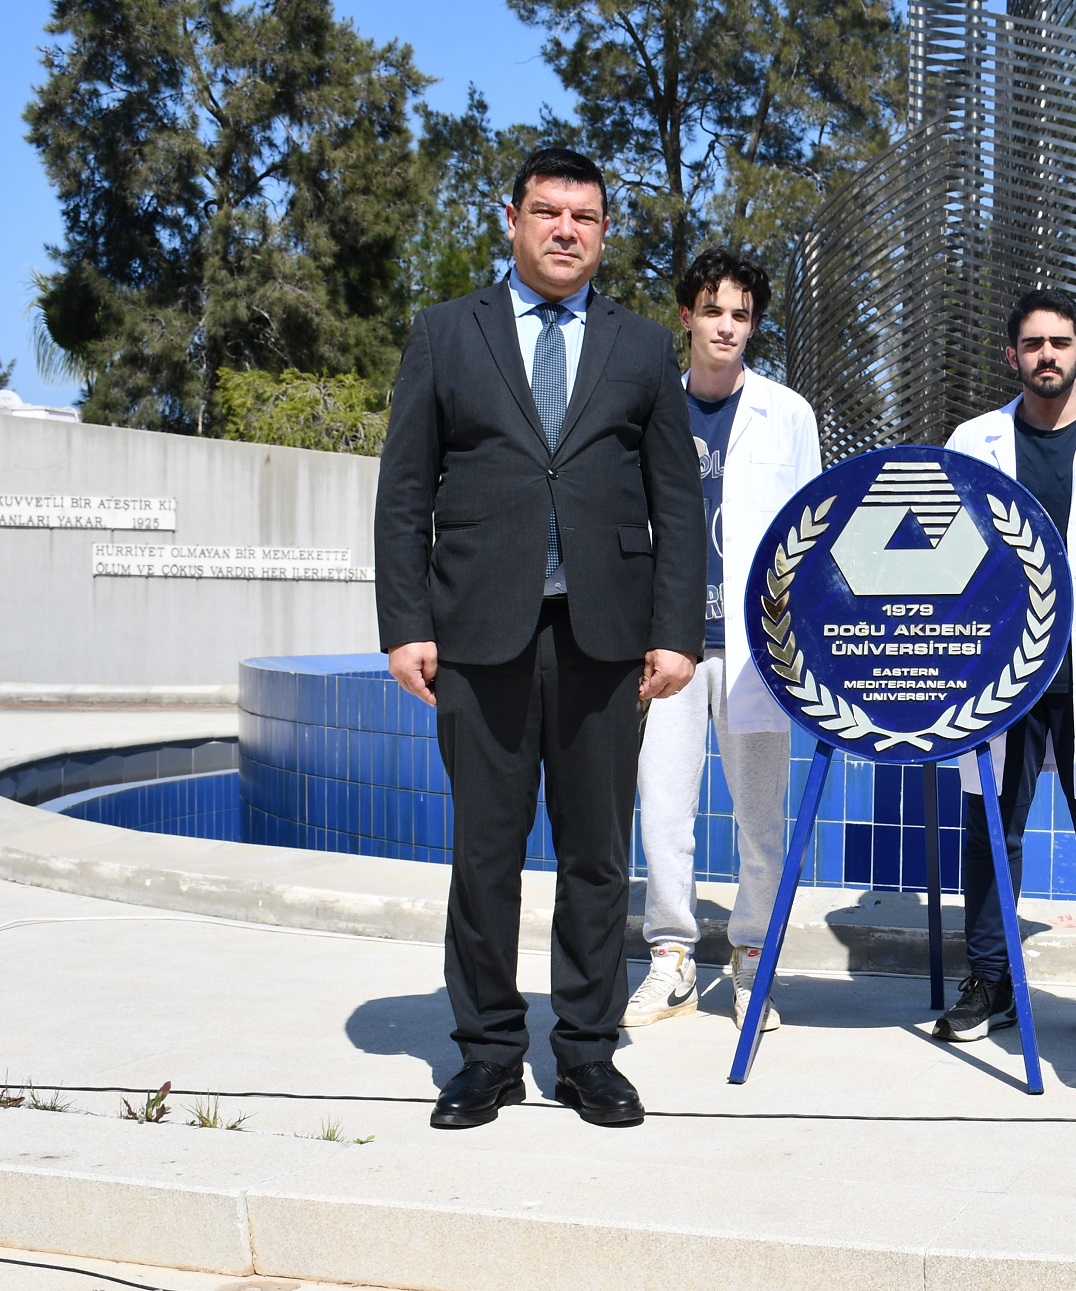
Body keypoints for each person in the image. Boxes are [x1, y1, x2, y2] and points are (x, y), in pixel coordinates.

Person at [375, 147, 704, 1131]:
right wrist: (405, 625)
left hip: (606, 639)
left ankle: (588, 1053)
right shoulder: (445, 333)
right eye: (549, 212)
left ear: (603, 233)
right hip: (480, 637)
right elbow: (404, 492)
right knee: (485, 853)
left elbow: (676, 504)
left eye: (585, 217)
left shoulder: (642, 347)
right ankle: (486, 1054)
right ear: (511, 219)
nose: (567, 230)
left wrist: (676, 632)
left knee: (597, 855)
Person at [938, 287, 1076, 1047]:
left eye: (1060, 343)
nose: (1047, 355)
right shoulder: (973, 441)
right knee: (991, 831)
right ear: (1012, 355)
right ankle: (989, 982)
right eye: (1033, 343)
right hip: (1001, 675)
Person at [626, 248, 821, 1034]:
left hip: (757, 650)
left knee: (760, 819)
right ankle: (671, 957)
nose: (727, 326)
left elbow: (812, 532)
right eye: (713, 310)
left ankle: (751, 962)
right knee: (663, 811)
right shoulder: (651, 408)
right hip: (669, 646)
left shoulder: (789, 414)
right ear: (687, 316)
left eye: (741, 314)